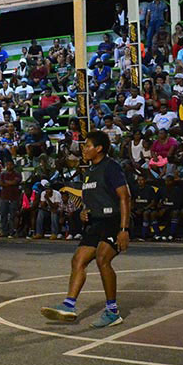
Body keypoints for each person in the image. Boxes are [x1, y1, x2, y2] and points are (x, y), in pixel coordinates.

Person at [40, 131, 130, 328]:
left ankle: (112, 312)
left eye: (87, 145)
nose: (83, 148)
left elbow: (125, 197)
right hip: (95, 222)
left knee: (102, 259)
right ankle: (69, 305)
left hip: (112, 221)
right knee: (78, 260)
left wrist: (124, 229)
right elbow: (89, 199)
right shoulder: (89, 172)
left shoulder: (111, 167)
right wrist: (84, 211)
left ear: (98, 148)